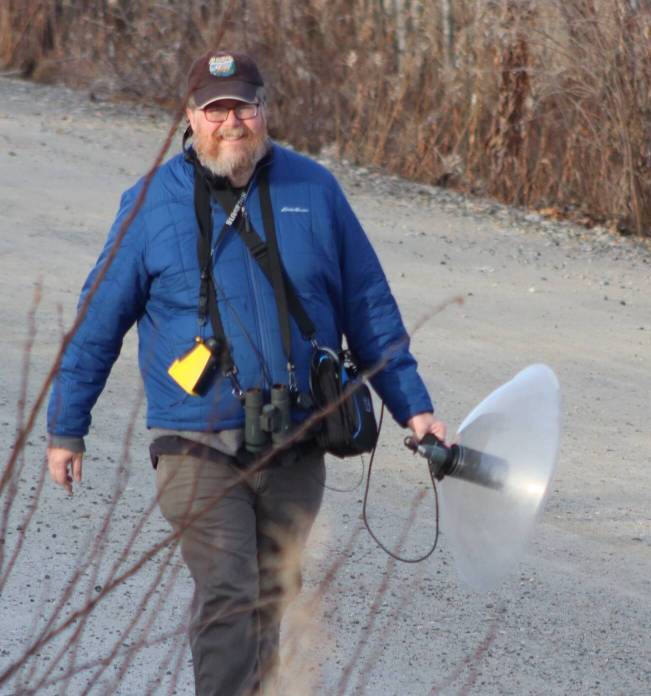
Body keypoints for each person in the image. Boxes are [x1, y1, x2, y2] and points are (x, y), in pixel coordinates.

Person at [45, 50, 445, 695]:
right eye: (216, 109)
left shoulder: (314, 190)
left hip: (295, 438)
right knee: (230, 594)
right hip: (194, 441)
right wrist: (67, 427)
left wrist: (414, 407)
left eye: (244, 106)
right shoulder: (150, 204)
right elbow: (97, 324)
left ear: (265, 111)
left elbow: (367, 305)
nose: (232, 122)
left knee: (269, 598)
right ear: (191, 118)